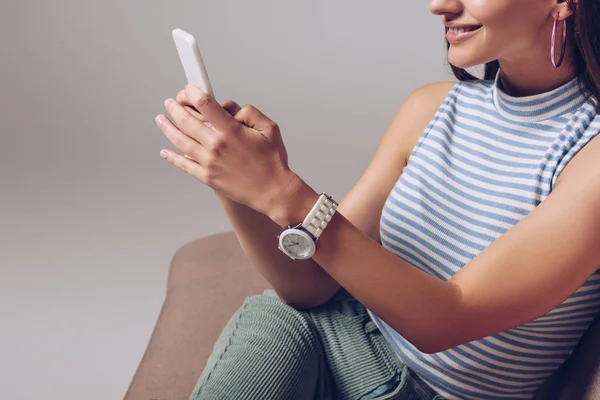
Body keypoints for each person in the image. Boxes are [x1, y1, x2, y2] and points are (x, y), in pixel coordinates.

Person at [126, 0, 600, 399]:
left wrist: (281, 191)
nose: (439, 5)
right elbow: (310, 286)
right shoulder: (430, 108)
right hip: (345, 341)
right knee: (273, 315)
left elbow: (448, 319)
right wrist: (238, 183)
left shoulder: (590, 153)